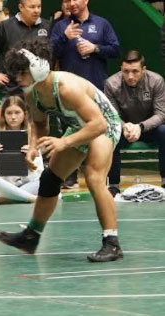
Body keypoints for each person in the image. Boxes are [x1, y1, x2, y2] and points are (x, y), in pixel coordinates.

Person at [0, 39, 123, 262]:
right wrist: (33, 147)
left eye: (22, 72)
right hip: (79, 126)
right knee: (50, 179)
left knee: (93, 177)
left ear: (38, 68)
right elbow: (41, 124)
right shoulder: (32, 92)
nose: (18, 78)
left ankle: (112, 243)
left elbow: (99, 124)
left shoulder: (66, 88)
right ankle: (31, 236)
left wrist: (64, 142)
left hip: (104, 124)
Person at [49, 0, 120, 189]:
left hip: (96, 90)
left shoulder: (102, 24)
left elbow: (115, 49)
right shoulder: (61, 26)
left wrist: (95, 48)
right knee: (71, 131)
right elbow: (48, 53)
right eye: (68, 0)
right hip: (68, 94)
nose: (71, 3)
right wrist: (64, 37)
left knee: (99, 132)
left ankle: (102, 177)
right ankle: (70, 178)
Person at [104, 50, 165, 194]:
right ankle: (113, 185)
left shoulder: (156, 81)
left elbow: (161, 114)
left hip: (149, 128)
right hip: (125, 129)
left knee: (164, 131)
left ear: (144, 70)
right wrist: (126, 127)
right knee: (109, 134)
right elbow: (112, 116)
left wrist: (141, 127)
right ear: (121, 70)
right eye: (126, 71)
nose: (130, 76)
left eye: (135, 71)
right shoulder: (111, 84)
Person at [0, 95, 43, 206]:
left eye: (17, 113)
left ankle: (4, 199)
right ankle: (28, 198)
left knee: (45, 181)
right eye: (9, 113)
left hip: (25, 184)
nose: (13, 117)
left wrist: (28, 161)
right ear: (3, 115)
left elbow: (38, 173)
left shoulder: (32, 136)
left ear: (24, 114)